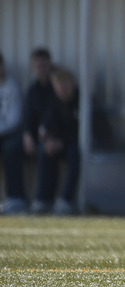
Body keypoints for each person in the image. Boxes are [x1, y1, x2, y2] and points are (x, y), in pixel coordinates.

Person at [35, 66, 82, 214]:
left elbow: (81, 131)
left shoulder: (82, 101)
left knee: (75, 155)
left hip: (73, 145)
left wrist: (61, 142)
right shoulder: (53, 102)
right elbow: (44, 126)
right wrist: (47, 139)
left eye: (65, 85)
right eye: (59, 86)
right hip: (57, 144)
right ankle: (44, 199)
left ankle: (66, 200)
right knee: (44, 152)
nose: (62, 89)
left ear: (72, 84)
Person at [20, 48, 55, 213]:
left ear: (49, 65)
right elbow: (27, 117)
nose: (41, 68)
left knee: (44, 151)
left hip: (54, 136)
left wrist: (47, 134)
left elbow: (56, 115)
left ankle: (43, 199)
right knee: (12, 148)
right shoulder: (32, 90)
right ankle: (16, 198)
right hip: (37, 135)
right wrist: (27, 135)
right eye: (37, 65)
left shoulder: (56, 87)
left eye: (44, 64)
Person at [0, 51, 25, 214]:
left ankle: (16, 198)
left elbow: (14, 120)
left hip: (10, 134)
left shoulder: (11, 87)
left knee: (11, 148)